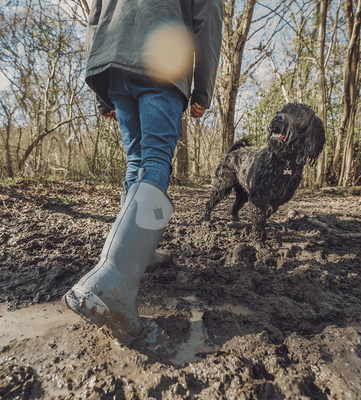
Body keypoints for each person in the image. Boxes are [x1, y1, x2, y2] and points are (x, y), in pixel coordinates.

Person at [62, 0, 222, 345]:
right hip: (162, 60)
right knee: (155, 163)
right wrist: (203, 88)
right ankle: (112, 280)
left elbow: (95, 21)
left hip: (113, 61)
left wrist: (100, 91)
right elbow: (207, 17)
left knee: (136, 162)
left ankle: (139, 254)